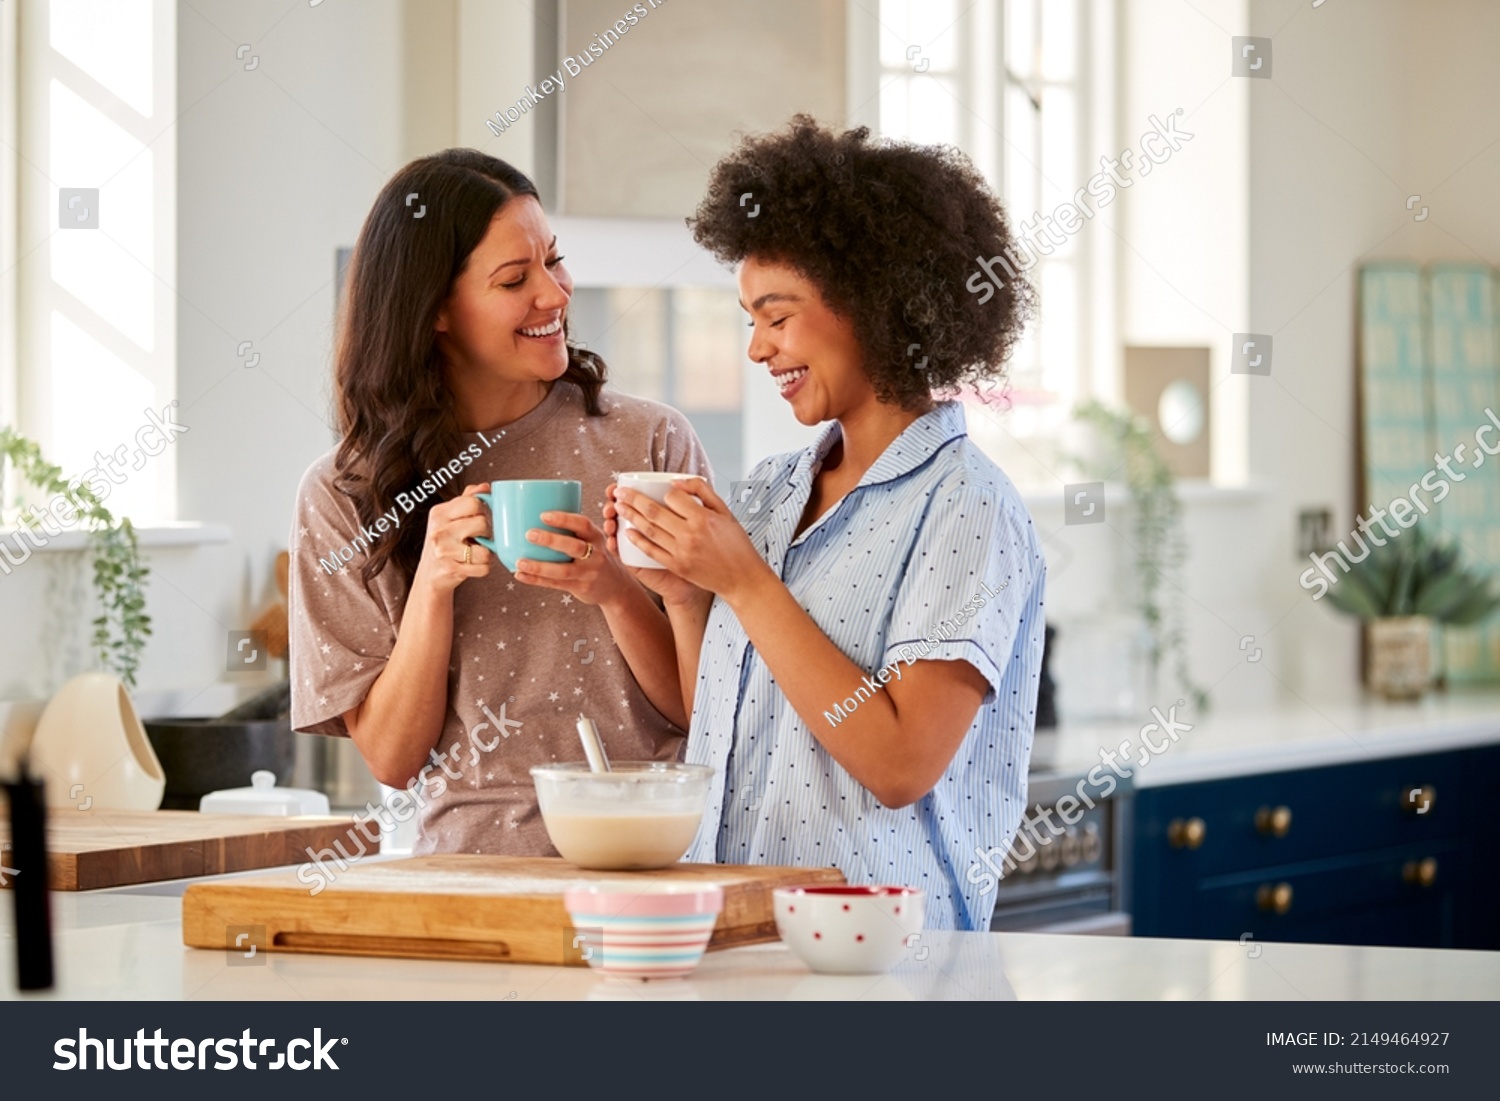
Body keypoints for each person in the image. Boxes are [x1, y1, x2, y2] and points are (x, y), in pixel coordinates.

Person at [611, 117, 1046, 930]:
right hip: (739, 954)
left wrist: (743, 579)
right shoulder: (775, 492)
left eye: (776, 316)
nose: (756, 349)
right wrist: (679, 591)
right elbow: (717, 711)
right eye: (750, 320)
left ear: (875, 303)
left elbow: (900, 761)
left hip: (887, 976)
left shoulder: (967, 507)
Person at [287, 149, 710, 856]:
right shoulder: (343, 495)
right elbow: (392, 758)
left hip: (649, 858)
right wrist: (432, 585)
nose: (555, 293)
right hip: (467, 873)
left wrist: (612, 589)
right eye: (515, 278)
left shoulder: (652, 443)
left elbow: (705, 710)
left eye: (554, 260)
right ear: (436, 312)